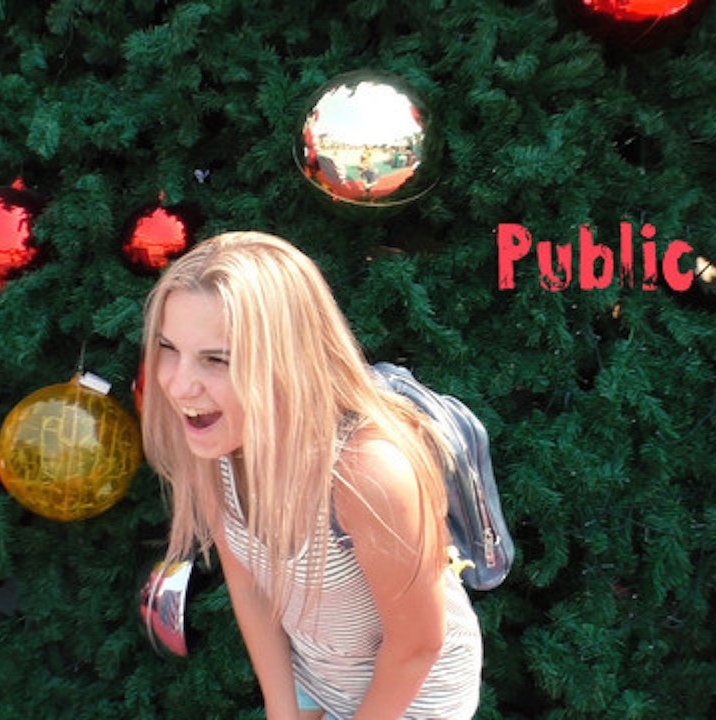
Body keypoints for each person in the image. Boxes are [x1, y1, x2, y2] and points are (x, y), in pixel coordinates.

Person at [140, 231, 482, 719]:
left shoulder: (366, 473)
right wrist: (282, 711)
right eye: (168, 348)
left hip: (414, 698)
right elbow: (251, 590)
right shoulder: (221, 440)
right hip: (320, 678)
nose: (177, 384)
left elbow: (417, 646)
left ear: (287, 361)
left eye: (217, 359)